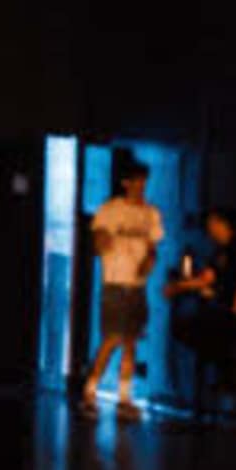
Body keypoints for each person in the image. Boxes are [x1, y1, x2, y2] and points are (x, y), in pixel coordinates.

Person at [75, 154, 165, 415]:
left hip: (137, 286)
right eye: (135, 181)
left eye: (144, 182)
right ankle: (89, 392)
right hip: (115, 283)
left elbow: (153, 248)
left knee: (131, 341)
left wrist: (148, 261)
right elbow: (98, 242)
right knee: (111, 339)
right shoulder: (111, 210)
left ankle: (124, 398)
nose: (140, 186)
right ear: (125, 183)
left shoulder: (151, 213)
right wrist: (105, 243)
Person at [166, 207, 236, 418]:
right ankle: (224, 382)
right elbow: (207, 277)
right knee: (192, 331)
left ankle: (233, 390)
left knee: (229, 344)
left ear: (223, 224)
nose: (209, 229)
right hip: (222, 308)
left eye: (212, 224)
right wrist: (181, 286)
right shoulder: (219, 251)